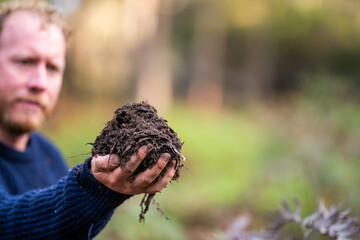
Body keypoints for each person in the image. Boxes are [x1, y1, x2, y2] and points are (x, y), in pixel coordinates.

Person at [0, 1, 176, 239]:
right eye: (24, 62)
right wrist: (91, 188)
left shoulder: (49, 156)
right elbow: (6, 222)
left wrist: (103, 192)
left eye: (52, 68)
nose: (39, 83)